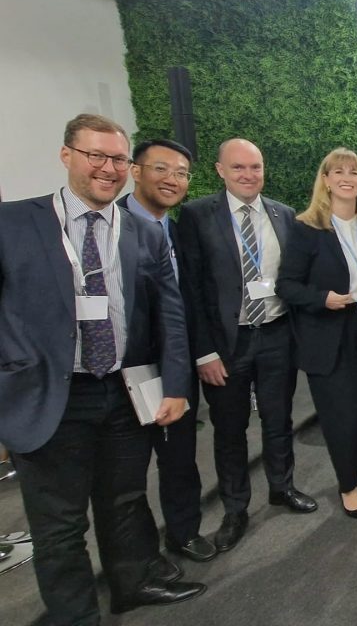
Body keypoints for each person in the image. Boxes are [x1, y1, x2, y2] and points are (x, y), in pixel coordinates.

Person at [0, 114, 204, 622]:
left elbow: (170, 317)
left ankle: (133, 583)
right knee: (61, 526)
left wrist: (176, 385)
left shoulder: (144, 232)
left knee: (126, 500)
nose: (107, 168)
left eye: (116, 158)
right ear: (67, 155)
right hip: (49, 395)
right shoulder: (14, 224)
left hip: (121, 390)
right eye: (96, 155)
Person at [177, 138, 316, 555]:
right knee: (230, 430)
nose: (248, 175)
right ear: (220, 170)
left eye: (255, 167)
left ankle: (281, 487)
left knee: (279, 420)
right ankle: (236, 508)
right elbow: (192, 292)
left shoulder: (283, 215)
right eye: (238, 168)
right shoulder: (198, 216)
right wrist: (203, 352)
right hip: (226, 345)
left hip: (275, 335)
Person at [277, 148, 357, 520]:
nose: (348, 178)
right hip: (330, 333)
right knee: (342, 416)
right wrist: (322, 298)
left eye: (354, 172)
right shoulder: (307, 229)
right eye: (338, 172)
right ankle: (347, 485)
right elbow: (287, 285)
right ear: (325, 180)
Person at [118, 138, 216, 563]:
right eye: (161, 169)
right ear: (135, 171)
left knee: (179, 457)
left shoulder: (176, 232)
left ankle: (183, 531)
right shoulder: (110, 223)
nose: (172, 180)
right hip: (121, 372)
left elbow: (189, 300)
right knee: (125, 474)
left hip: (174, 367)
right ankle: (136, 561)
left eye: (180, 173)